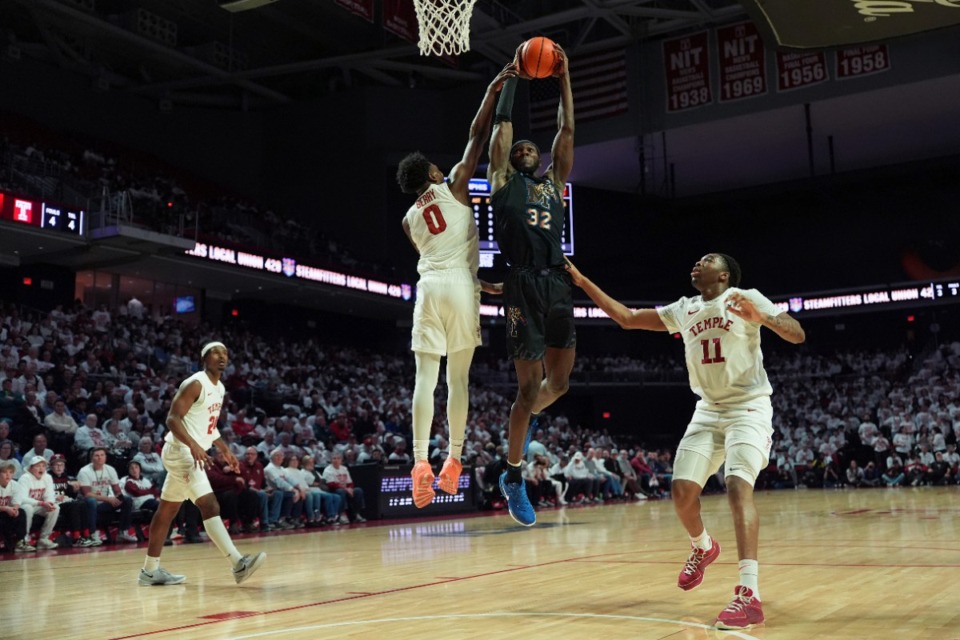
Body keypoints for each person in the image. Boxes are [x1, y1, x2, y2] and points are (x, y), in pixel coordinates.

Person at [565, 253, 806, 629]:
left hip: (749, 407)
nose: (696, 263)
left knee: (737, 486)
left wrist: (763, 318)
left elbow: (796, 333)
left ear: (724, 275)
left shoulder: (746, 296)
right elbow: (626, 319)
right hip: (708, 410)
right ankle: (703, 547)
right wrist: (582, 282)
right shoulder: (685, 308)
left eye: (706, 260)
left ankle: (749, 594)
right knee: (681, 493)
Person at [395, 66, 514, 509]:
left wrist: (479, 282)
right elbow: (477, 134)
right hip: (461, 290)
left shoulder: (408, 220)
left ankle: (419, 464)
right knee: (458, 380)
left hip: (429, 289)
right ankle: (454, 461)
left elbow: (438, 257)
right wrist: (490, 91)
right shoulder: (456, 185)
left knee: (424, 381)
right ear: (431, 171)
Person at [487, 43, 576, 527]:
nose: (525, 148)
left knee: (558, 384)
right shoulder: (503, 181)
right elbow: (501, 131)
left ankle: (525, 423)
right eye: (520, 147)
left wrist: (563, 76)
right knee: (526, 392)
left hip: (557, 283)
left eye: (530, 148)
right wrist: (514, 79)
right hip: (521, 282)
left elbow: (567, 129)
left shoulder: (553, 180)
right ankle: (513, 474)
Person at [138, 341, 265, 586]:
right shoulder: (195, 383)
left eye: (225, 353)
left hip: (190, 451)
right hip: (181, 451)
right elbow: (173, 419)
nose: (221, 356)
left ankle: (149, 571)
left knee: (166, 511)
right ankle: (238, 564)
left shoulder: (220, 388)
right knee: (209, 504)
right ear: (204, 358)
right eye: (215, 353)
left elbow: (208, 425)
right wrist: (194, 445)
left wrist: (225, 449)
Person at [77, 447, 137, 544]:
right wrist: (108, 499)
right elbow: (87, 494)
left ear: (105, 457)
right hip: (86, 504)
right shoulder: (84, 471)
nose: (100, 458)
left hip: (103, 503)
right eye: (97, 456)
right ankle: (92, 534)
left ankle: (123, 532)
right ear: (92, 458)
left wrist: (118, 498)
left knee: (127, 500)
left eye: (102, 455)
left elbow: (117, 490)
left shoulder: (110, 469)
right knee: (91, 501)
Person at [17, 455, 60, 549]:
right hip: (23, 506)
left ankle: (44, 539)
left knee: (55, 508)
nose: (41, 468)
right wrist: (41, 503)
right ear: (31, 468)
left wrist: (49, 503)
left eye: (43, 466)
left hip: (38, 505)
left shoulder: (47, 477)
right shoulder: (25, 478)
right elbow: (22, 499)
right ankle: (24, 540)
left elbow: (50, 495)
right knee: (28, 508)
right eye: (38, 466)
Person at [321, 452, 366, 524]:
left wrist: (350, 488)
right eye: (334, 458)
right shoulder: (328, 470)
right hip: (333, 490)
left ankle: (356, 514)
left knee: (358, 490)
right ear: (331, 460)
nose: (336, 460)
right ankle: (342, 514)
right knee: (341, 491)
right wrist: (346, 489)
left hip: (345, 489)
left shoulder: (344, 469)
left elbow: (350, 483)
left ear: (341, 460)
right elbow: (331, 484)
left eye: (338, 458)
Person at [0, 459, 33, 552]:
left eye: (10, 472)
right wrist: (6, 508)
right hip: (2, 511)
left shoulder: (15, 485)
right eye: (4, 472)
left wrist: (15, 509)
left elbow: (17, 501)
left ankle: (21, 541)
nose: (8, 475)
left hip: (6, 512)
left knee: (21, 512)